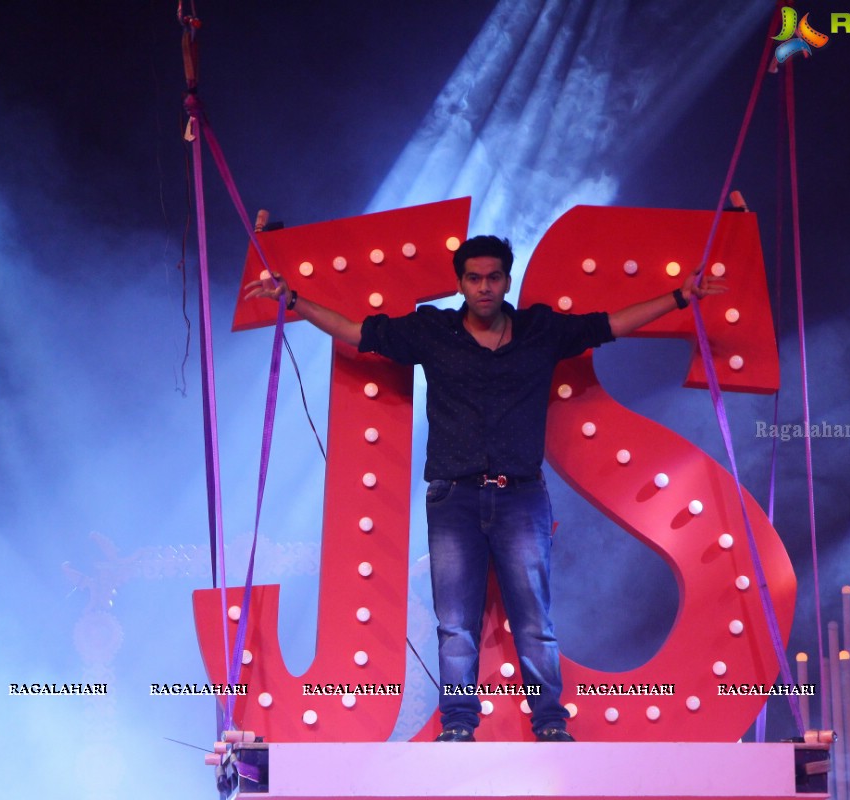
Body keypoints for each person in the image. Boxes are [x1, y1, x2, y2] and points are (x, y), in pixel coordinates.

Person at [246, 235, 724, 742]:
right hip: (453, 497)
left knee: (535, 619)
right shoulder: (434, 332)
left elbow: (610, 324)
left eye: (493, 277)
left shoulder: (540, 330)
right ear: (460, 283)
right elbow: (354, 331)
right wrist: (291, 299)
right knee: (455, 624)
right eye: (473, 278)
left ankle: (550, 723)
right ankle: (458, 725)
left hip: (521, 495)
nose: (484, 288)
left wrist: (680, 297)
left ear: (507, 280)